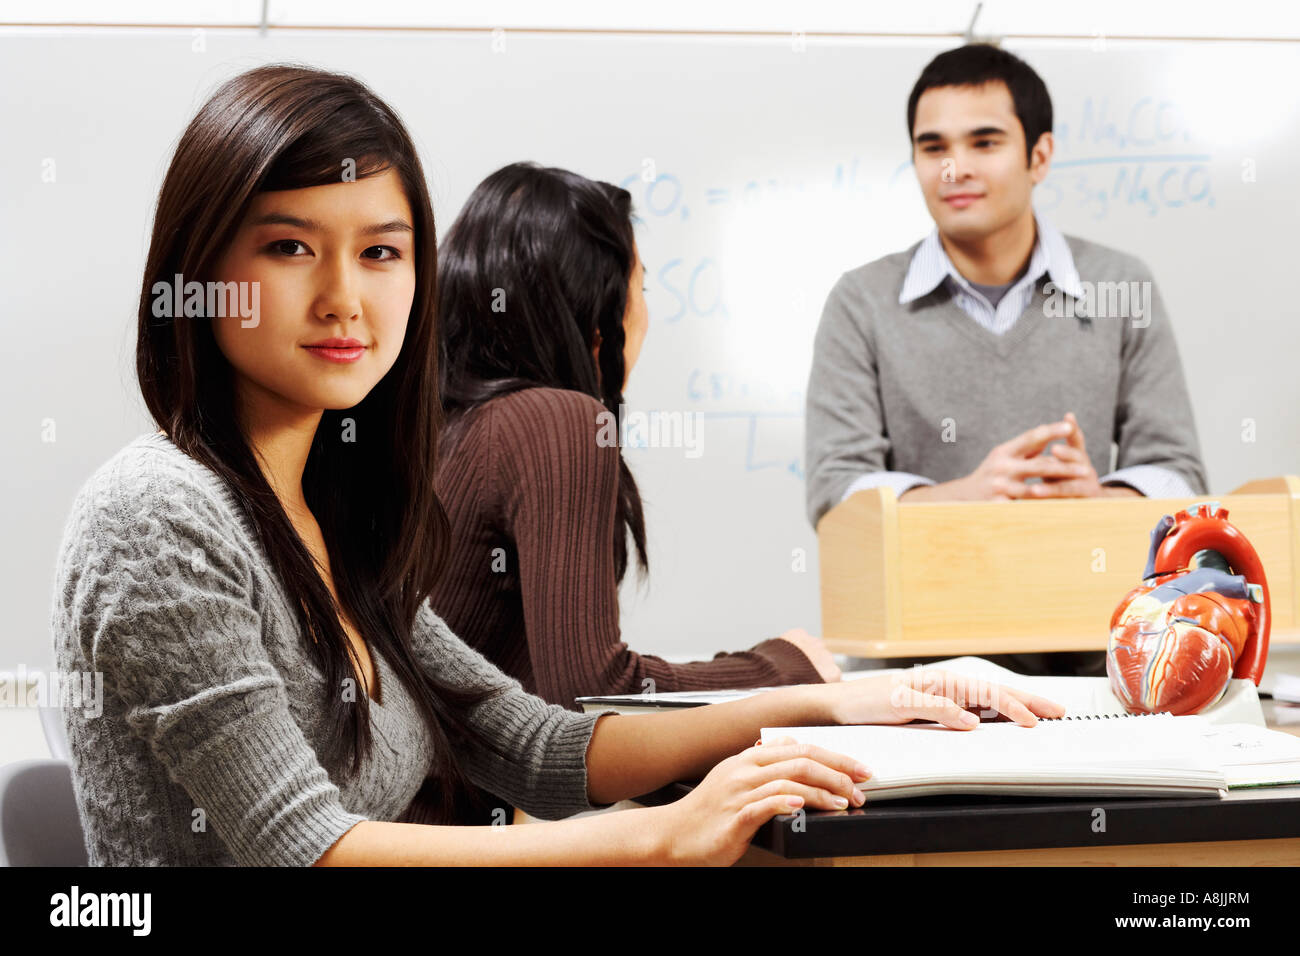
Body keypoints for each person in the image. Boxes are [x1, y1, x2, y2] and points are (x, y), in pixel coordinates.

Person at [51, 63, 1064, 867]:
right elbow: (306, 846)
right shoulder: (159, 511)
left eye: (380, 252)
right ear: (196, 273)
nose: (344, 299)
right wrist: (666, 833)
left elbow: (535, 742)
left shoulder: (335, 513)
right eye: (288, 247)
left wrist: (830, 700)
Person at [803, 44, 1208, 676]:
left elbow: (1180, 477)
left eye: (984, 143)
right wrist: (967, 496)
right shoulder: (861, 300)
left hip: (1100, 676)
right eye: (933, 147)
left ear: (1039, 156)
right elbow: (836, 498)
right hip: (917, 682)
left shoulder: (1121, 283)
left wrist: (1097, 497)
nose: (953, 168)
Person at [431, 162, 840, 711]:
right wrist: (785, 668)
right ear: (599, 311)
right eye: (639, 286)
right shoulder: (552, 422)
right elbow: (594, 692)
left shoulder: (444, 421)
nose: (644, 310)